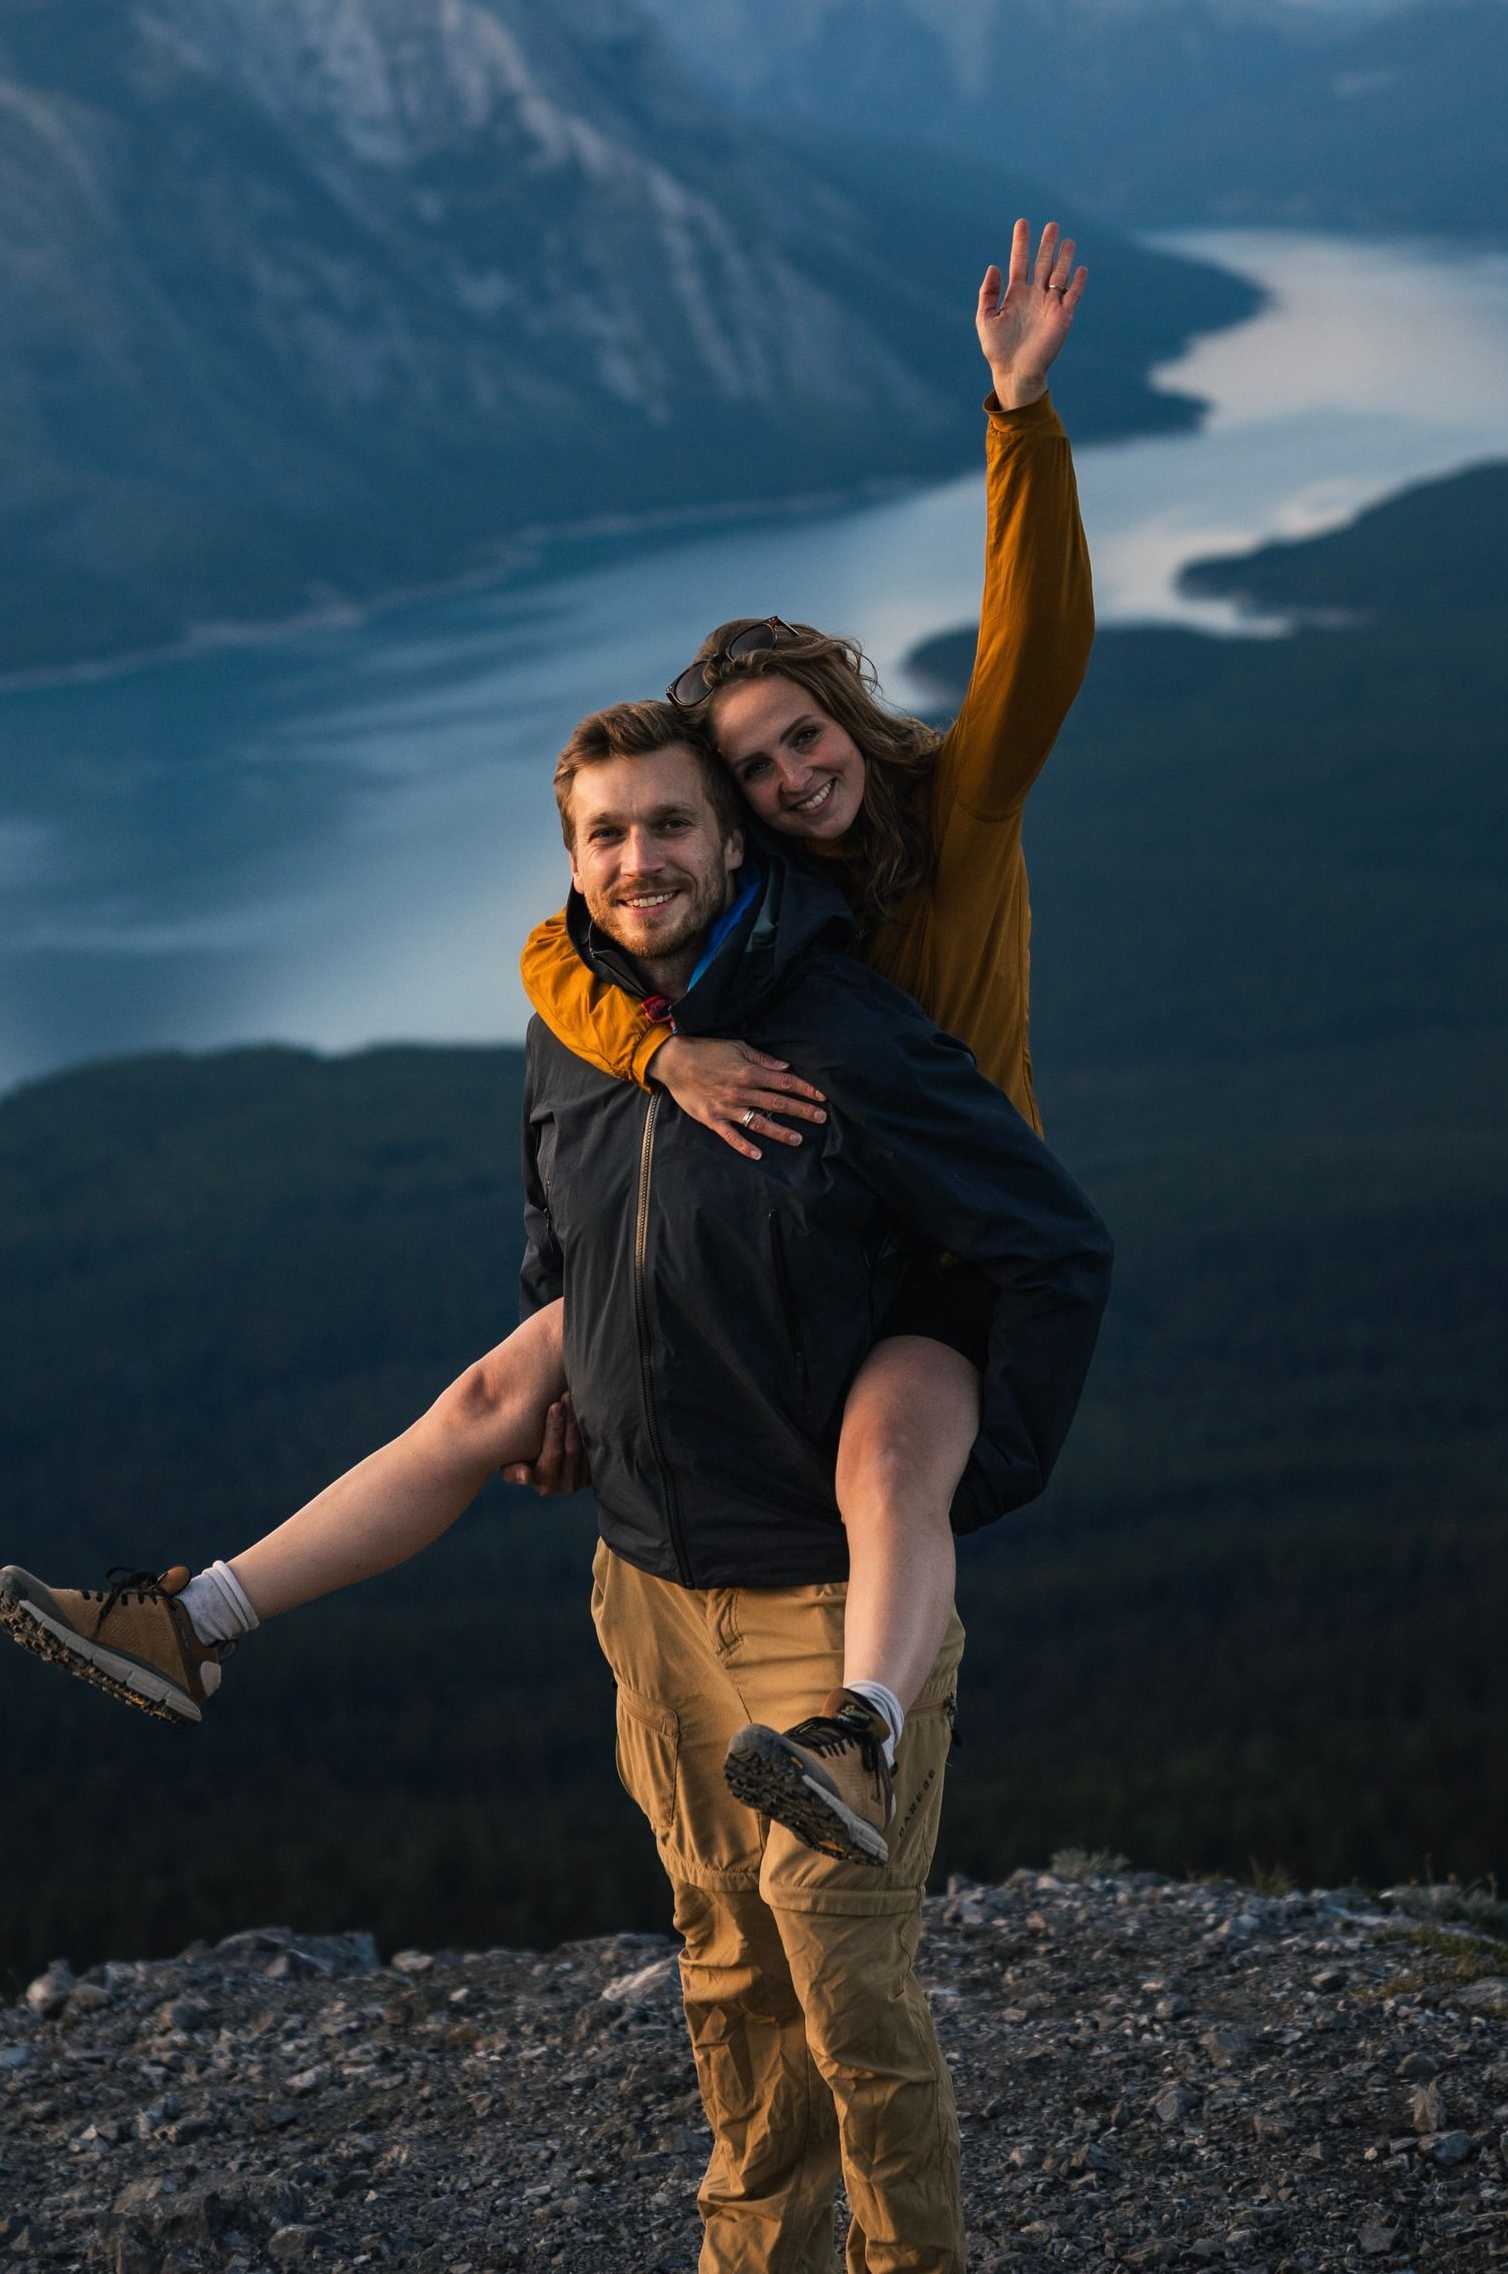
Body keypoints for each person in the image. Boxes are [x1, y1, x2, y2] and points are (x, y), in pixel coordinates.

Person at [0, 218, 1094, 1865]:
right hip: (788, 1223)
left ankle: (858, 1736)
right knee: (493, 1390)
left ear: (852, 716)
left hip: (925, 1235)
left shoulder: (961, 812)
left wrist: (1016, 417)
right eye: (759, 768)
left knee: (887, 1466)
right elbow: (557, 951)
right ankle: (193, 1617)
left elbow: (1038, 648)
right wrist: (661, 1066)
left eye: (808, 738)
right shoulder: (764, 891)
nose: (795, 778)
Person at [527, 698, 1112, 2273]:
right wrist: (578, 1397)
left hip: (823, 1598)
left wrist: (969, 1470)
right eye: (608, 835)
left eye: (671, 826)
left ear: (735, 838)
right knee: (726, 1972)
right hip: (650, 1592)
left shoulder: (846, 1032)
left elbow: (1051, 1246)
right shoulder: (578, 1022)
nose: (639, 858)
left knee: (849, 1994)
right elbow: (567, 1220)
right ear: (573, 864)